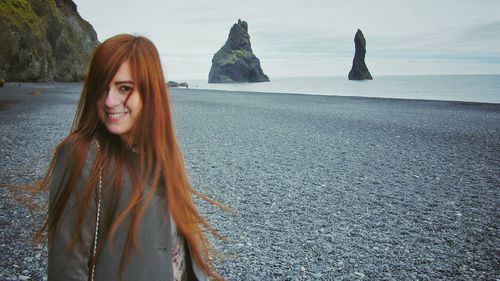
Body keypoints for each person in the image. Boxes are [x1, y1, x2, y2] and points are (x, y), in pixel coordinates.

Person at [35, 34, 224, 280]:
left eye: (124, 88)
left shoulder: (167, 151)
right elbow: (68, 266)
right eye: (102, 88)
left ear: (151, 91)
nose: (110, 101)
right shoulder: (82, 154)